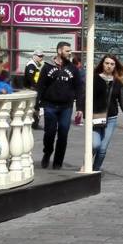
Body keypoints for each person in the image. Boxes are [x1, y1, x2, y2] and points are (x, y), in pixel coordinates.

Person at [36, 42, 83, 170]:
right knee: (49, 133)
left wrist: (79, 108)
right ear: (59, 51)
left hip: (66, 107)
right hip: (50, 105)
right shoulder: (47, 67)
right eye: (67, 51)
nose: (70, 53)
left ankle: (58, 162)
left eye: (70, 51)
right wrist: (36, 106)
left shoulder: (73, 68)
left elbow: (79, 88)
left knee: (63, 134)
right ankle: (47, 152)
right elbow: (40, 86)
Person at [90, 54, 123, 171]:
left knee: (102, 149)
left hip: (111, 118)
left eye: (112, 64)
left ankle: (95, 170)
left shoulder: (118, 82)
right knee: (95, 144)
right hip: (96, 116)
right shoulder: (94, 79)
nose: (109, 66)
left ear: (115, 66)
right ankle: (86, 164)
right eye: (107, 63)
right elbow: (86, 97)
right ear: (102, 64)